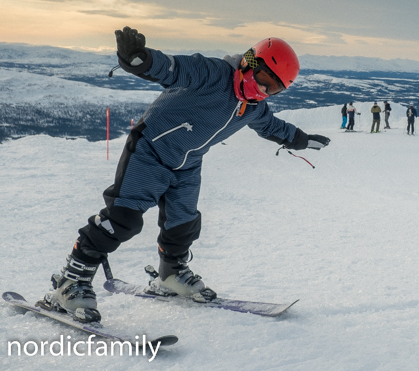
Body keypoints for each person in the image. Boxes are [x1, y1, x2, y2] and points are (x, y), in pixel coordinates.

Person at [40, 27, 331, 323]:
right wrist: (137, 58)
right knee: (122, 220)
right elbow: (172, 69)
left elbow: (272, 126)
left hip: (188, 162)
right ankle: (70, 282)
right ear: (250, 63)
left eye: (274, 89)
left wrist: (301, 139)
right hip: (151, 149)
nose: (263, 91)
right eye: (264, 80)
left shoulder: (253, 107)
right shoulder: (214, 73)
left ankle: (171, 273)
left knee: (184, 223)